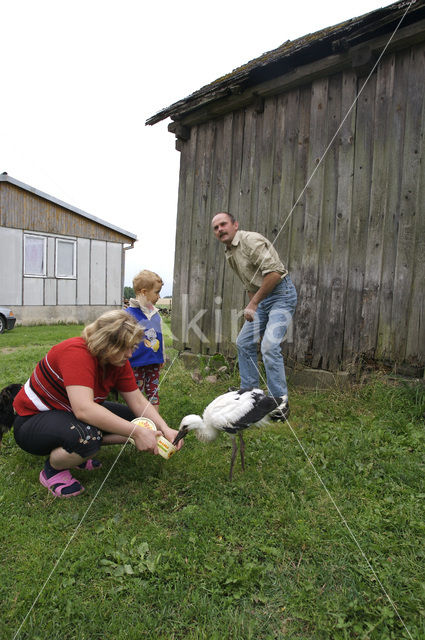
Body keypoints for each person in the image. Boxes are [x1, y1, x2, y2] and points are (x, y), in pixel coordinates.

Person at [12, 310, 182, 498]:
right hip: (31, 421)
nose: (130, 354)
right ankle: (53, 470)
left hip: (67, 413)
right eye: (124, 347)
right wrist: (136, 433)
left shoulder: (118, 360)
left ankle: (79, 453)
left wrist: (164, 428)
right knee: (88, 436)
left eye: (132, 347)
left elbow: (137, 400)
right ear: (105, 343)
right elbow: (84, 410)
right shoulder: (76, 353)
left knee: (139, 420)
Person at [211, 212, 297, 419]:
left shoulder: (251, 241)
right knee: (244, 342)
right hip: (263, 298)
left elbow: (274, 273)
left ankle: (279, 402)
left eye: (223, 224)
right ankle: (251, 395)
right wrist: (255, 304)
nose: (220, 229)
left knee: (269, 345)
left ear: (235, 225)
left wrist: (254, 302)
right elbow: (249, 281)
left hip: (281, 295)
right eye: (215, 228)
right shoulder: (229, 252)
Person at [125, 270, 165, 408]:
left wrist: (162, 356)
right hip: (136, 364)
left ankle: (155, 424)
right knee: (136, 394)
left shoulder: (155, 314)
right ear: (144, 292)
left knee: (153, 393)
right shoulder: (128, 315)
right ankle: (137, 422)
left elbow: (160, 337)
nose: (159, 296)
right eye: (156, 292)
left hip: (153, 363)